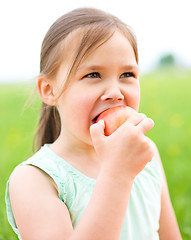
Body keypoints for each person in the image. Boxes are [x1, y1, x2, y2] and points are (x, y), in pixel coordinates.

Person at [5, 7, 182, 240]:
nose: (115, 92)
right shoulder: (35, 180)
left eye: (127, 74)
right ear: (49, 90)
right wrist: (117, 174)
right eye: (93, 75)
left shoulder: (146, 156)